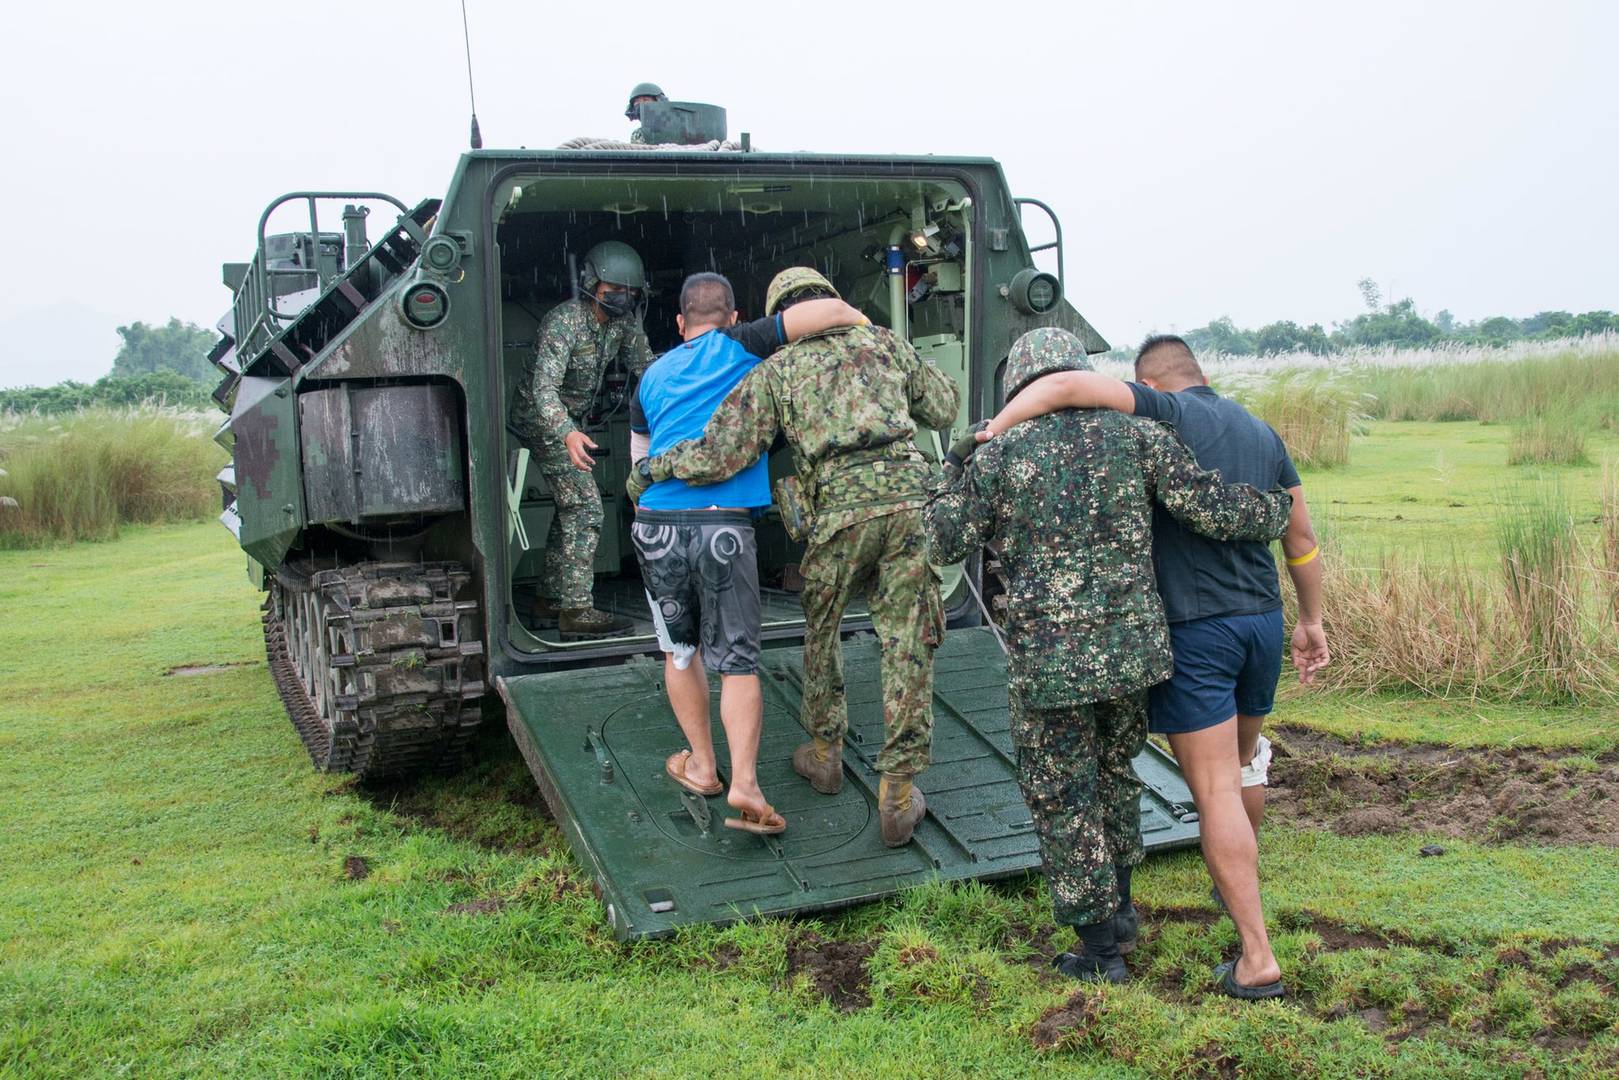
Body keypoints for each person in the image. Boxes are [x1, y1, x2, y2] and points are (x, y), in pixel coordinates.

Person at [925, 328, 1292, 986]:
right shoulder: (1139, 437)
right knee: (1115, 775)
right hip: (1134, 655)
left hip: (1050, 663)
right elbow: (1211, 510)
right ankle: (1118, 912)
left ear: (1020, 384)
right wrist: (1272, 508)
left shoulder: (1001, 454)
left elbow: (941, 540)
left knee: (1063, 795)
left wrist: (957, 459)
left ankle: (1099, 950)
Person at [641, 267, 960, 847]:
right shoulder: (885, 343)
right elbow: (943, 406)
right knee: (908, 643)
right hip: (910, 506)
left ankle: (824, 753)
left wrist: (654, 469)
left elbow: (719, 454)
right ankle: (898, 788)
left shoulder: (777, 370)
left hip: (837, 514)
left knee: (823, 631)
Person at [625, 272, 866, 835]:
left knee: (679, 652)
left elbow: (639, 461)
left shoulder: (652, 375)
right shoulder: (742, 344)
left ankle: (703, 766)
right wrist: (861, 321)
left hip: (657, 521)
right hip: (723, 525)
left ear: (680, 324)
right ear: (732, 317)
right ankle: (746, 784)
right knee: (736, 661)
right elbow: (822, 313)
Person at [510, 240, 653, 639]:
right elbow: (543, 390)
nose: (622, 300)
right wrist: (567, 432)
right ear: (592, 285)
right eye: (613, 293)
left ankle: (549, 600)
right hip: (544, 418)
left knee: (572, 507)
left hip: (572, 419)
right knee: (587, 507)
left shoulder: (624, 323)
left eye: (630, 293)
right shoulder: (564, 323)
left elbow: (647, 367)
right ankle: (576, 611)